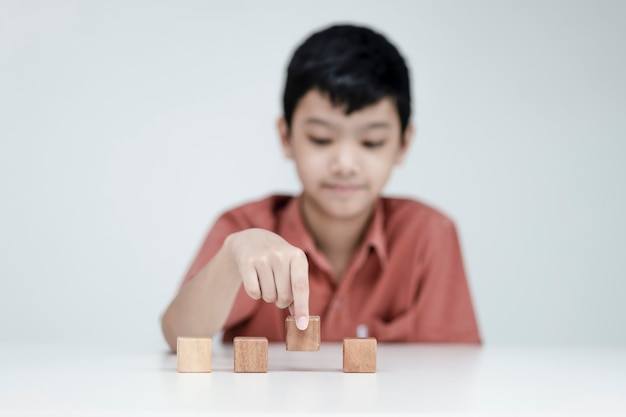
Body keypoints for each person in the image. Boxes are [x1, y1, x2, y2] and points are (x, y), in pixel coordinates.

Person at [161, 24, 481, 351]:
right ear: (286, 137)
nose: (344, 163)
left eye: (372, 142)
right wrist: (230, 259)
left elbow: (455, 368)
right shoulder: (244, 229)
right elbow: (178, 337)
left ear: (402, 144)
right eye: (321, 139)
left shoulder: (428, 234)